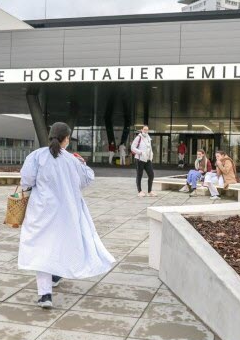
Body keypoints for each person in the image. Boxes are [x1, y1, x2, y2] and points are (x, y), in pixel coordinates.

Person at [18, 122, 115, 308]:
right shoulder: (72, 159)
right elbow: (87, 179)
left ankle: (45, 294)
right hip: (66, 212)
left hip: (42, 211)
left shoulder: (37, 156)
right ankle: (56, 274)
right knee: (62, 243)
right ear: (66, 139)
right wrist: (82, 163)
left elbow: (27, 180)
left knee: (41, 249)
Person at [130, 125, 156, 197]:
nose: (145, 131)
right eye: (144, 129)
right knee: (139, 175)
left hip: (147, 160)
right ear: (141, 130)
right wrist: (140, 152)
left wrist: (151, 155)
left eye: (147, 130)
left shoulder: (148, 138)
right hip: (140, 159)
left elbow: (149, 148)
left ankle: (149, 191)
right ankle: (140, 191)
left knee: (151, 175)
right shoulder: (138, 137)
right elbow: (132, 147)